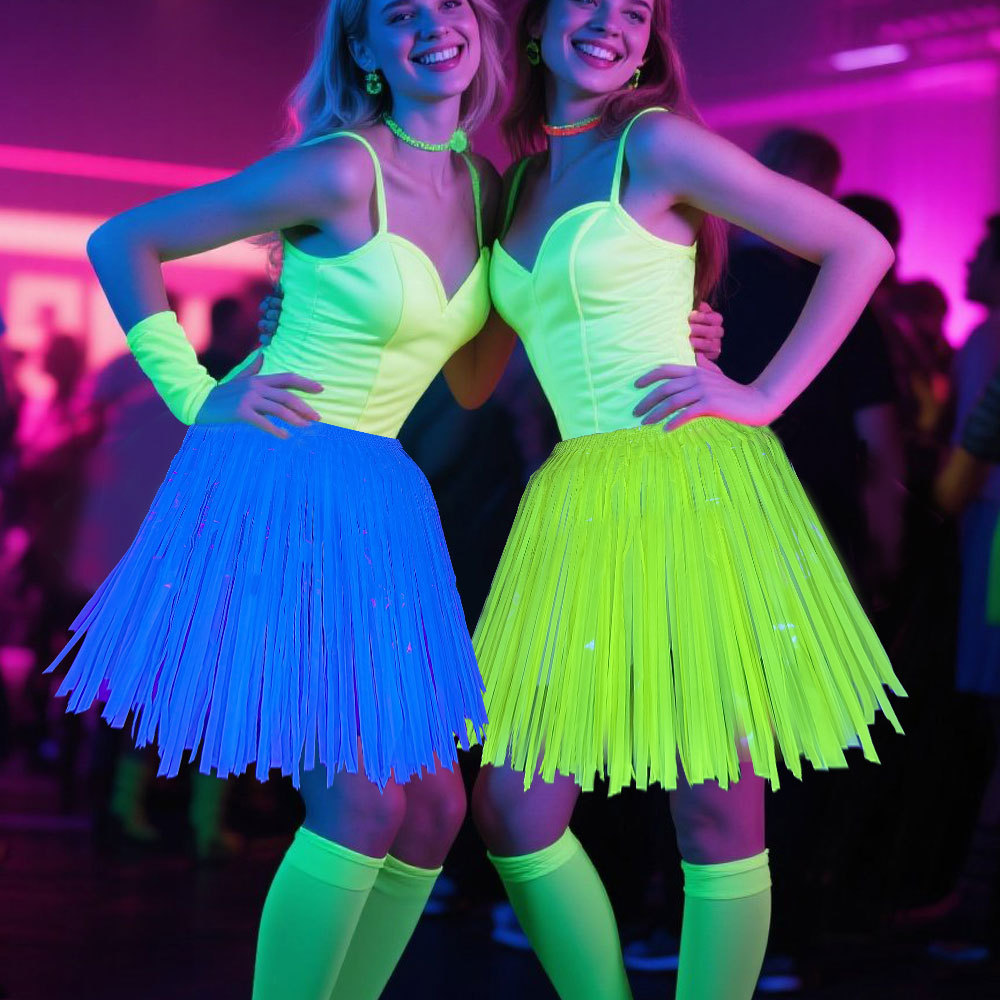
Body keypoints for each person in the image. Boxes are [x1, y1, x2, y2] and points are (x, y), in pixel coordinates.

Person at [45, 1, 511, 997]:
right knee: (363, 806)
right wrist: (195, 393)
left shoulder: (484, 188)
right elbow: (124, 240)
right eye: (400, 12)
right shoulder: (340, 167)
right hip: (287, 474)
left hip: (378, 489)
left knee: (434, 812)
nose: (434, 23)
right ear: (365, 48)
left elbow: (472, 381)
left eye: (451, 2)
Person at [455, 3, 904, 999]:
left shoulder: (654, 142)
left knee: (715, 810)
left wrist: (761, 393)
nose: (611, 22)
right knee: (513, 812)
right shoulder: (518, 183)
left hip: (687, 482)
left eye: (635, 10)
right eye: (591, 0)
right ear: (536, 25)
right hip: (577, 499)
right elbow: (474, 375)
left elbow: (856, 249)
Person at [929, 214, 1000, 959]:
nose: (969, 264)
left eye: (982, 253)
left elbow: (965, 462)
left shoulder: (989, 340)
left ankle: (977, 916)